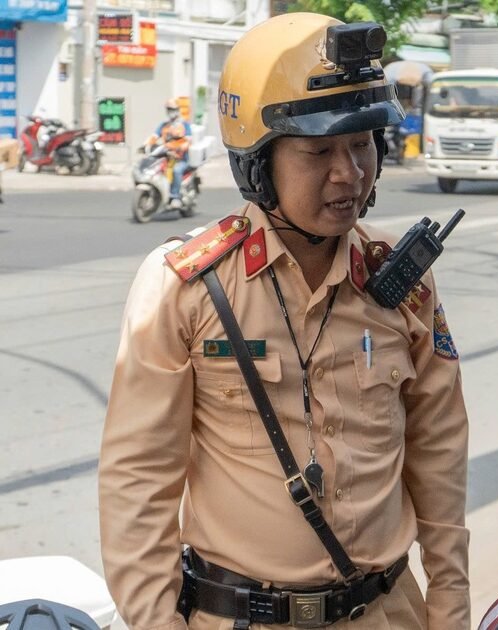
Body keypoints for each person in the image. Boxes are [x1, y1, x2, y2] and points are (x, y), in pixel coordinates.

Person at [98, 13, 469, 630]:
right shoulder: (186, 287)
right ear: (258, 163)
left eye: (362, 145)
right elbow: (138, 482)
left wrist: (451, 609)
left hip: (388, 614)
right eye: (319, 151)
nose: (349, 173)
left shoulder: (404, 286)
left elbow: (439, 453)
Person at [147, 99, 193, 209]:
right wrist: (147, 144)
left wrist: (182, 146)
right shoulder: (164, 125)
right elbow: (154, 136)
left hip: (181, 159)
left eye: (173, 109)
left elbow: (188, 140)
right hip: (167, 158)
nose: (171, 111)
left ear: (177, 110)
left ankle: (175, 197)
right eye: (169, 109)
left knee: (176, 170)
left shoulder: (184, 125)